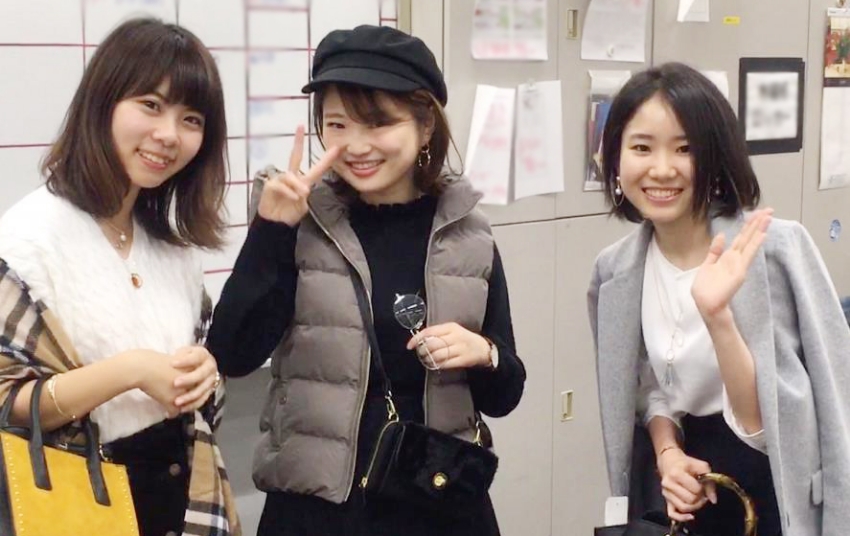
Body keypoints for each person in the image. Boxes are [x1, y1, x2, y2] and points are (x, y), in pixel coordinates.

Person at [206, 24, 526, 536]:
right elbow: (233, 353)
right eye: (337, 124)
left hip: (438, 508)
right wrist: (271, 230)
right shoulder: (301, 221)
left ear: (425, 125)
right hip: (317, 513)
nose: (355, 145)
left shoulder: (466, 231)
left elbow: (504, 395)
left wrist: (483, 353)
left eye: (378, 123)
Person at [0, 18, 240, 536]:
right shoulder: (27, 239)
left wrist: (203, 372)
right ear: (102, 103)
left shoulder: (172, 248)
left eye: (191, 118)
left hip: (176, 497)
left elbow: (197, 380)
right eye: (150, 105)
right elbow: (5, 400)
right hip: (78, 503)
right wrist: (129, 370)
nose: (168, 135)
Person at [588, 62, 850, 536]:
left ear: (714, 155)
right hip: (687, 492)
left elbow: (788, 419)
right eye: (642, 147)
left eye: (685, 149)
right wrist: (668, 453)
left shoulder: (776, 250)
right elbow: (650, 389)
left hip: (780, 491)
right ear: (615, 158)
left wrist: (718, 318)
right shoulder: (615, 272)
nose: (661, 169)